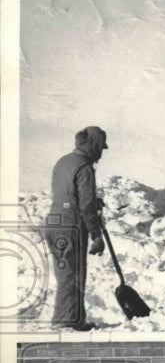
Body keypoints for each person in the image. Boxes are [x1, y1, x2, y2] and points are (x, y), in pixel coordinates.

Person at [45, 125, 108, 330]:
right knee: (74, 273)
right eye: (100, 147)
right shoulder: (84, 166)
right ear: (92, 144)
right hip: (72, 224)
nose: (101, 153)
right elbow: (86, 206)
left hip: (55, 221)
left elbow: (67, 194)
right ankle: (66, 320)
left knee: (66, 272)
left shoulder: (63, 162)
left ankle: (75, 318)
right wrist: (96, 236)